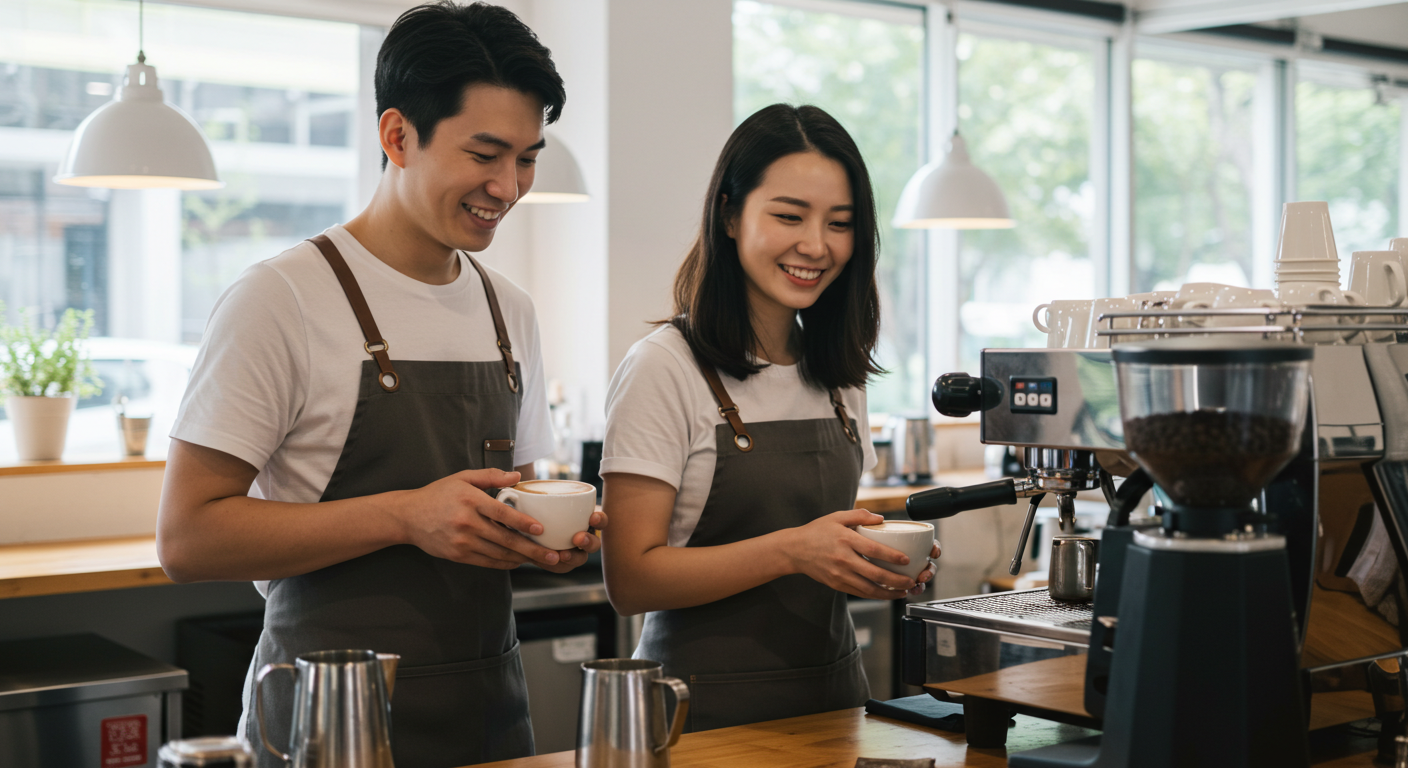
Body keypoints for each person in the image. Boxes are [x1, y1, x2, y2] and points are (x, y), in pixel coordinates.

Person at [155, 3, 605, 766]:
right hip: (325, 723)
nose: (509, 185)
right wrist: (405, 516)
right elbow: (187, 538)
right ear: (397, 136)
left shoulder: (510, 311)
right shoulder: (282, 297)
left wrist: (549, 542)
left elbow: (517, 497)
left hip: (487, 716)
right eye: (485, 153)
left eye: (527, 157)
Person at [600, 103, 939, 732]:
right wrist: (795, 551)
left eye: (839, 223)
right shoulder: (663, 368)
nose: (816, 245)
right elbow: (631, 577)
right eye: (789, 216)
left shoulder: (837, 374)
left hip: (835, 702)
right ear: (730, 214)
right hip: (696, 714)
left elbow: (824, 549)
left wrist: (871, 564)